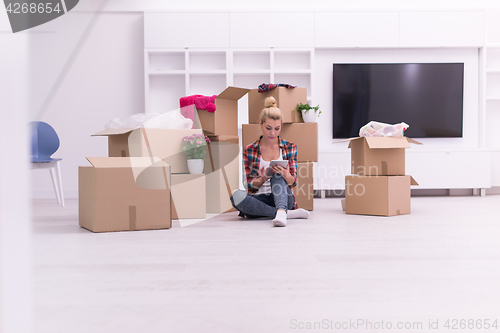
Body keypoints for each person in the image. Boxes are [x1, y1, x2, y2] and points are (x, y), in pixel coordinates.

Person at [230, 97, 310, 227]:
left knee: (277, 174)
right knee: (235, 195)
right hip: (259, 200)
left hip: (284, 197)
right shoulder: (249, 150)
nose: (273, 133)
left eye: (277, 128)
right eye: (268, 128)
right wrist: (263, 178)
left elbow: (293, 181)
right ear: (261, 124)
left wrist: (286, 175)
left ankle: (281, 209)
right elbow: (249, 186)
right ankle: (284, 213)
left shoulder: (290, 147)